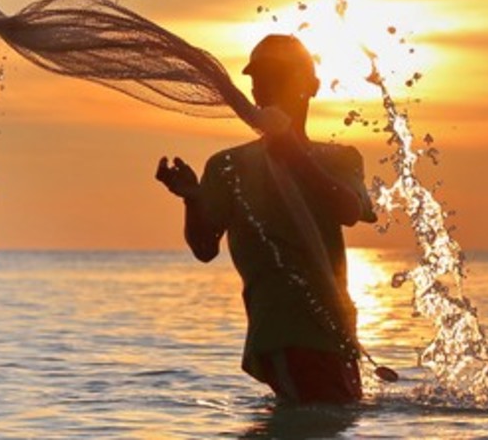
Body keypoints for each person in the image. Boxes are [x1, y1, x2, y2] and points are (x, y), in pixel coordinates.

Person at [156, 34, 377, 405]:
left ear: (312, 87)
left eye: (279, 76)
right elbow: (205, 248)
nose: (266, 88)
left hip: (336, 331)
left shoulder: (340, 158)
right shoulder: (228, 166)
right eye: (259, 80)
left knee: (333, 418)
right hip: (282, 330)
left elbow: (350, 211)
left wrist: (295, 155)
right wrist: (193, 201)